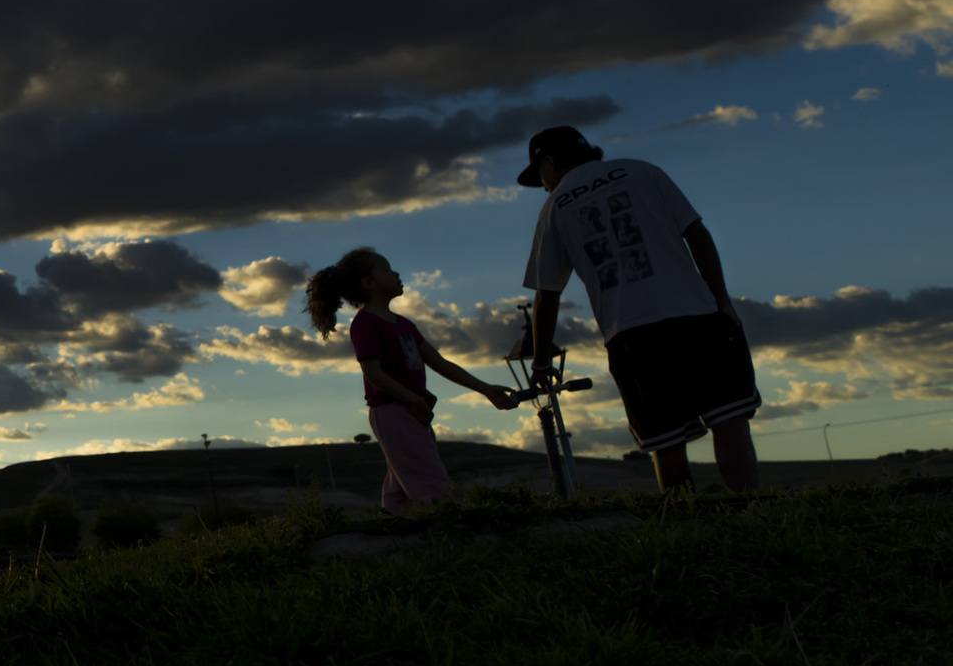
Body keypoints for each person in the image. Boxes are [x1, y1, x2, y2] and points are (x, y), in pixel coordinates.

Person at [518, 125, 762, 492]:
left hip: (631, 334)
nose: (544, 185)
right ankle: (752, 512)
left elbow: (546, 294)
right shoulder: (642, 170)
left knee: (666, 445)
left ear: (550, 161)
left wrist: (540, 362)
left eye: (541, 176)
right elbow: (696, 233)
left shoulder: (554, 208)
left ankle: (685, 527)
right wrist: (722, 301)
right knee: (729, 423)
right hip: (697, 315)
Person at [303, 250, 512, 515]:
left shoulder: (403, 324)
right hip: (393, 411)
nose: (397, 274)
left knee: (401, 487)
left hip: (410, 412)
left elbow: (440, 362)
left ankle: (394, 534)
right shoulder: (366, 323)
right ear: (368, 282)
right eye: (387, 270)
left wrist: (485, 389)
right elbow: (374, 374)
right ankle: (441, 537)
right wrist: (414, 400)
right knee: (430, 483)